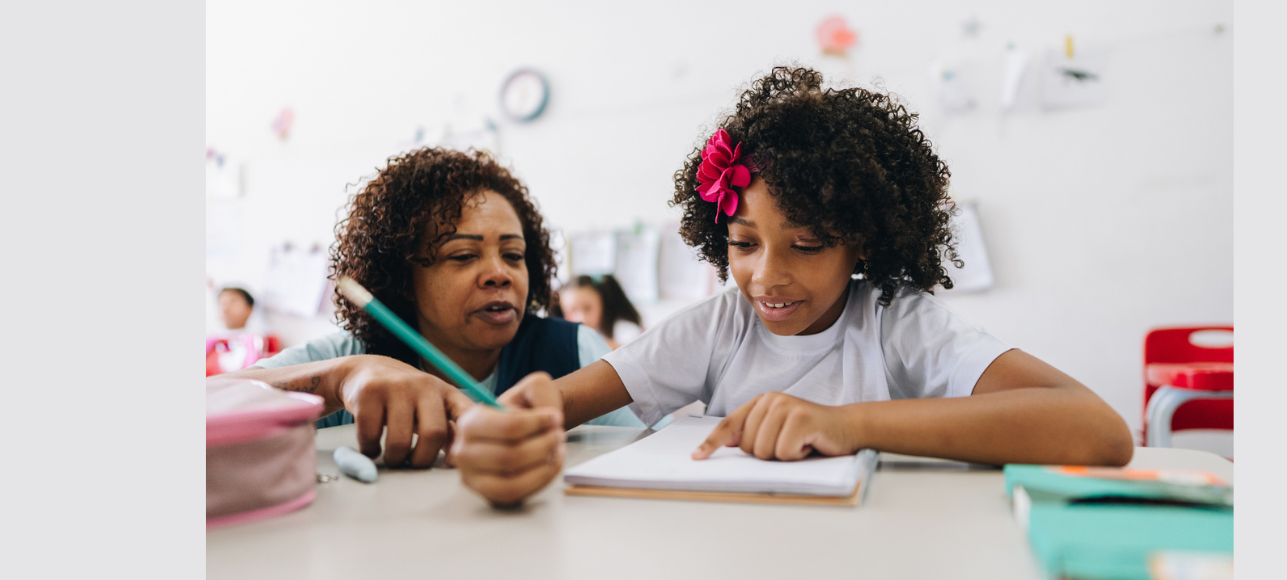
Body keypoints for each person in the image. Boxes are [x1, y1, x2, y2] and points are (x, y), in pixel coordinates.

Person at [451, 66, 1134, 507]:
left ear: (862, 240)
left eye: (806, 245)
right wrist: (518, 418)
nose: (767, 276)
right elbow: (546, 408)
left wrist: (847, 423)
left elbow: (1097, 431)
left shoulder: (897, 322)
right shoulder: (720, 325)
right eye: (743, 244)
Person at [219, 148, 646, 470]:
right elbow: (212, 404)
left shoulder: (573, 351)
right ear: (401, 277)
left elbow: (654, 458)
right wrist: (337, 379)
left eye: (514, 255)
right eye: (462, 256)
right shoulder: (350, 358)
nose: (500, 274)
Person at [550, 275, 645, 350]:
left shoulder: (626, 331)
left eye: (587, 308)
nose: (581, 318)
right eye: (571, 310)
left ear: (603, 303)